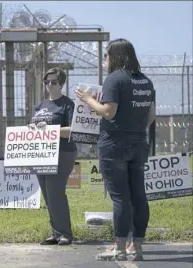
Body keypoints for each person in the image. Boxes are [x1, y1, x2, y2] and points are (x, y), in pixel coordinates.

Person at [75, 38, 156, 261]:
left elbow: (108, 111)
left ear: (115, 57)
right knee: (139, 195)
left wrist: (88, 99)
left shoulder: (115, 79)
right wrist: (135, 130)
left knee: (120, 198)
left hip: (114, 145)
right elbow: (151, 115)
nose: (105, 60)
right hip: (139, 144)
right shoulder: (146, 82)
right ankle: (136, 246)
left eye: (107, 55)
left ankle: (119, 247)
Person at [28, 67, 77, 246]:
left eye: (54, 82)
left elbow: (72, 130)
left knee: (56, 192)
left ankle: (65, 233)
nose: (49, 85)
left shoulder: (67, 104)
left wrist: (49, 130)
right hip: (42, 153)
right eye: (47, 82)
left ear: (61, 84)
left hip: (63, 152)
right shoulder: (40, 106)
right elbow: (34, 127)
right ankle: (56, 233)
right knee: (48, 194)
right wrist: (31, 129)